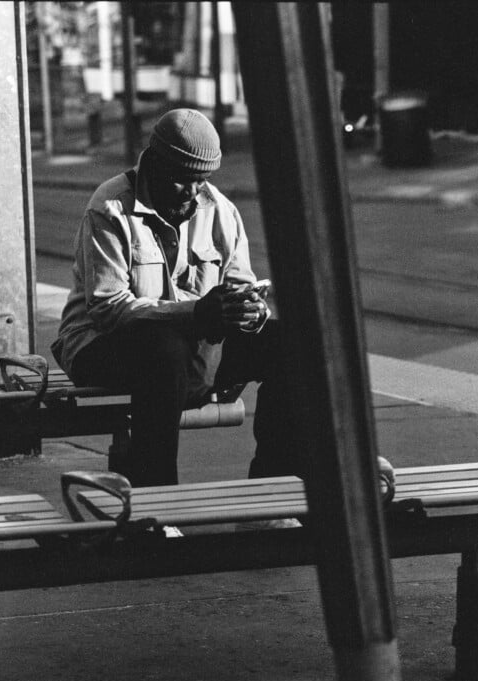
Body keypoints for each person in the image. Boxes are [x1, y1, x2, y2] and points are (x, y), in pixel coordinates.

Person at [52, 108, 393, 501]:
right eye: (182, 179)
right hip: (99, 344)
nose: (193, 191)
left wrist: (249, 312)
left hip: (193, 348)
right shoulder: (110, 207)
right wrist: (195, 314)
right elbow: (109, 308)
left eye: (202, 179)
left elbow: (240, 287)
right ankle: (157, 502)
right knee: (163, 350)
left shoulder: (219, 209)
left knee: (292, 344)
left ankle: (271, 490)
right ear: (155, 164)